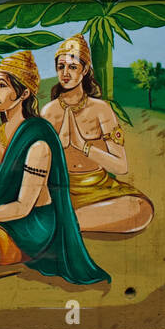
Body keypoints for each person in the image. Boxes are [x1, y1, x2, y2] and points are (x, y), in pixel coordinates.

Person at [0, 51, 109, 285]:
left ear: (24, 93)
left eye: (3, 86)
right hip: (3, 207)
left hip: (30, 225)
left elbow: (24, 207)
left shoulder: (38, 143)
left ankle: (21, 251)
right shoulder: (1, 132)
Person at [40, 34, 154, 234]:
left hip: (100, 190)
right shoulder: (49, 112)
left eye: (72, 67)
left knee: (140, 210)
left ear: (84, 70)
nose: (65, 73)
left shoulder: (102, 110)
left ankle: (65, 223)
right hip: (60, 191)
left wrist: (83, 146)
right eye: (61, 67)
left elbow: (121, 166)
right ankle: (69, 221)